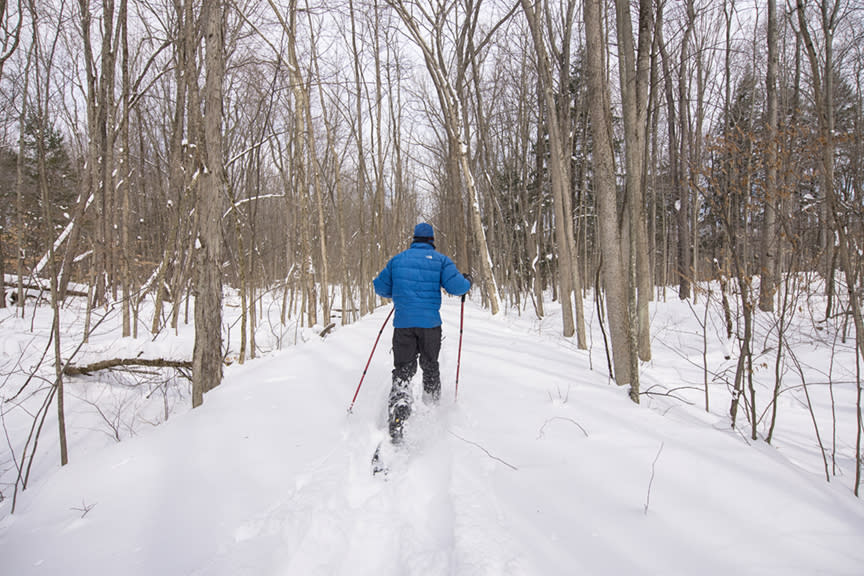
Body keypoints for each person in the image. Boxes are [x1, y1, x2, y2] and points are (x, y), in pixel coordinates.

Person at [373, 222, 472, 443]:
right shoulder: (440, 260)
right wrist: (467, 281)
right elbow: (458, 288)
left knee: (403, 370)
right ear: (431, 240)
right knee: (430, 364)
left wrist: (397, 291)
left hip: (404, 325)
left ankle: (399, 409)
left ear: (414, 238)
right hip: (430, 325)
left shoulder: (397, 260)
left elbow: (380, 287)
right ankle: (432, 405)